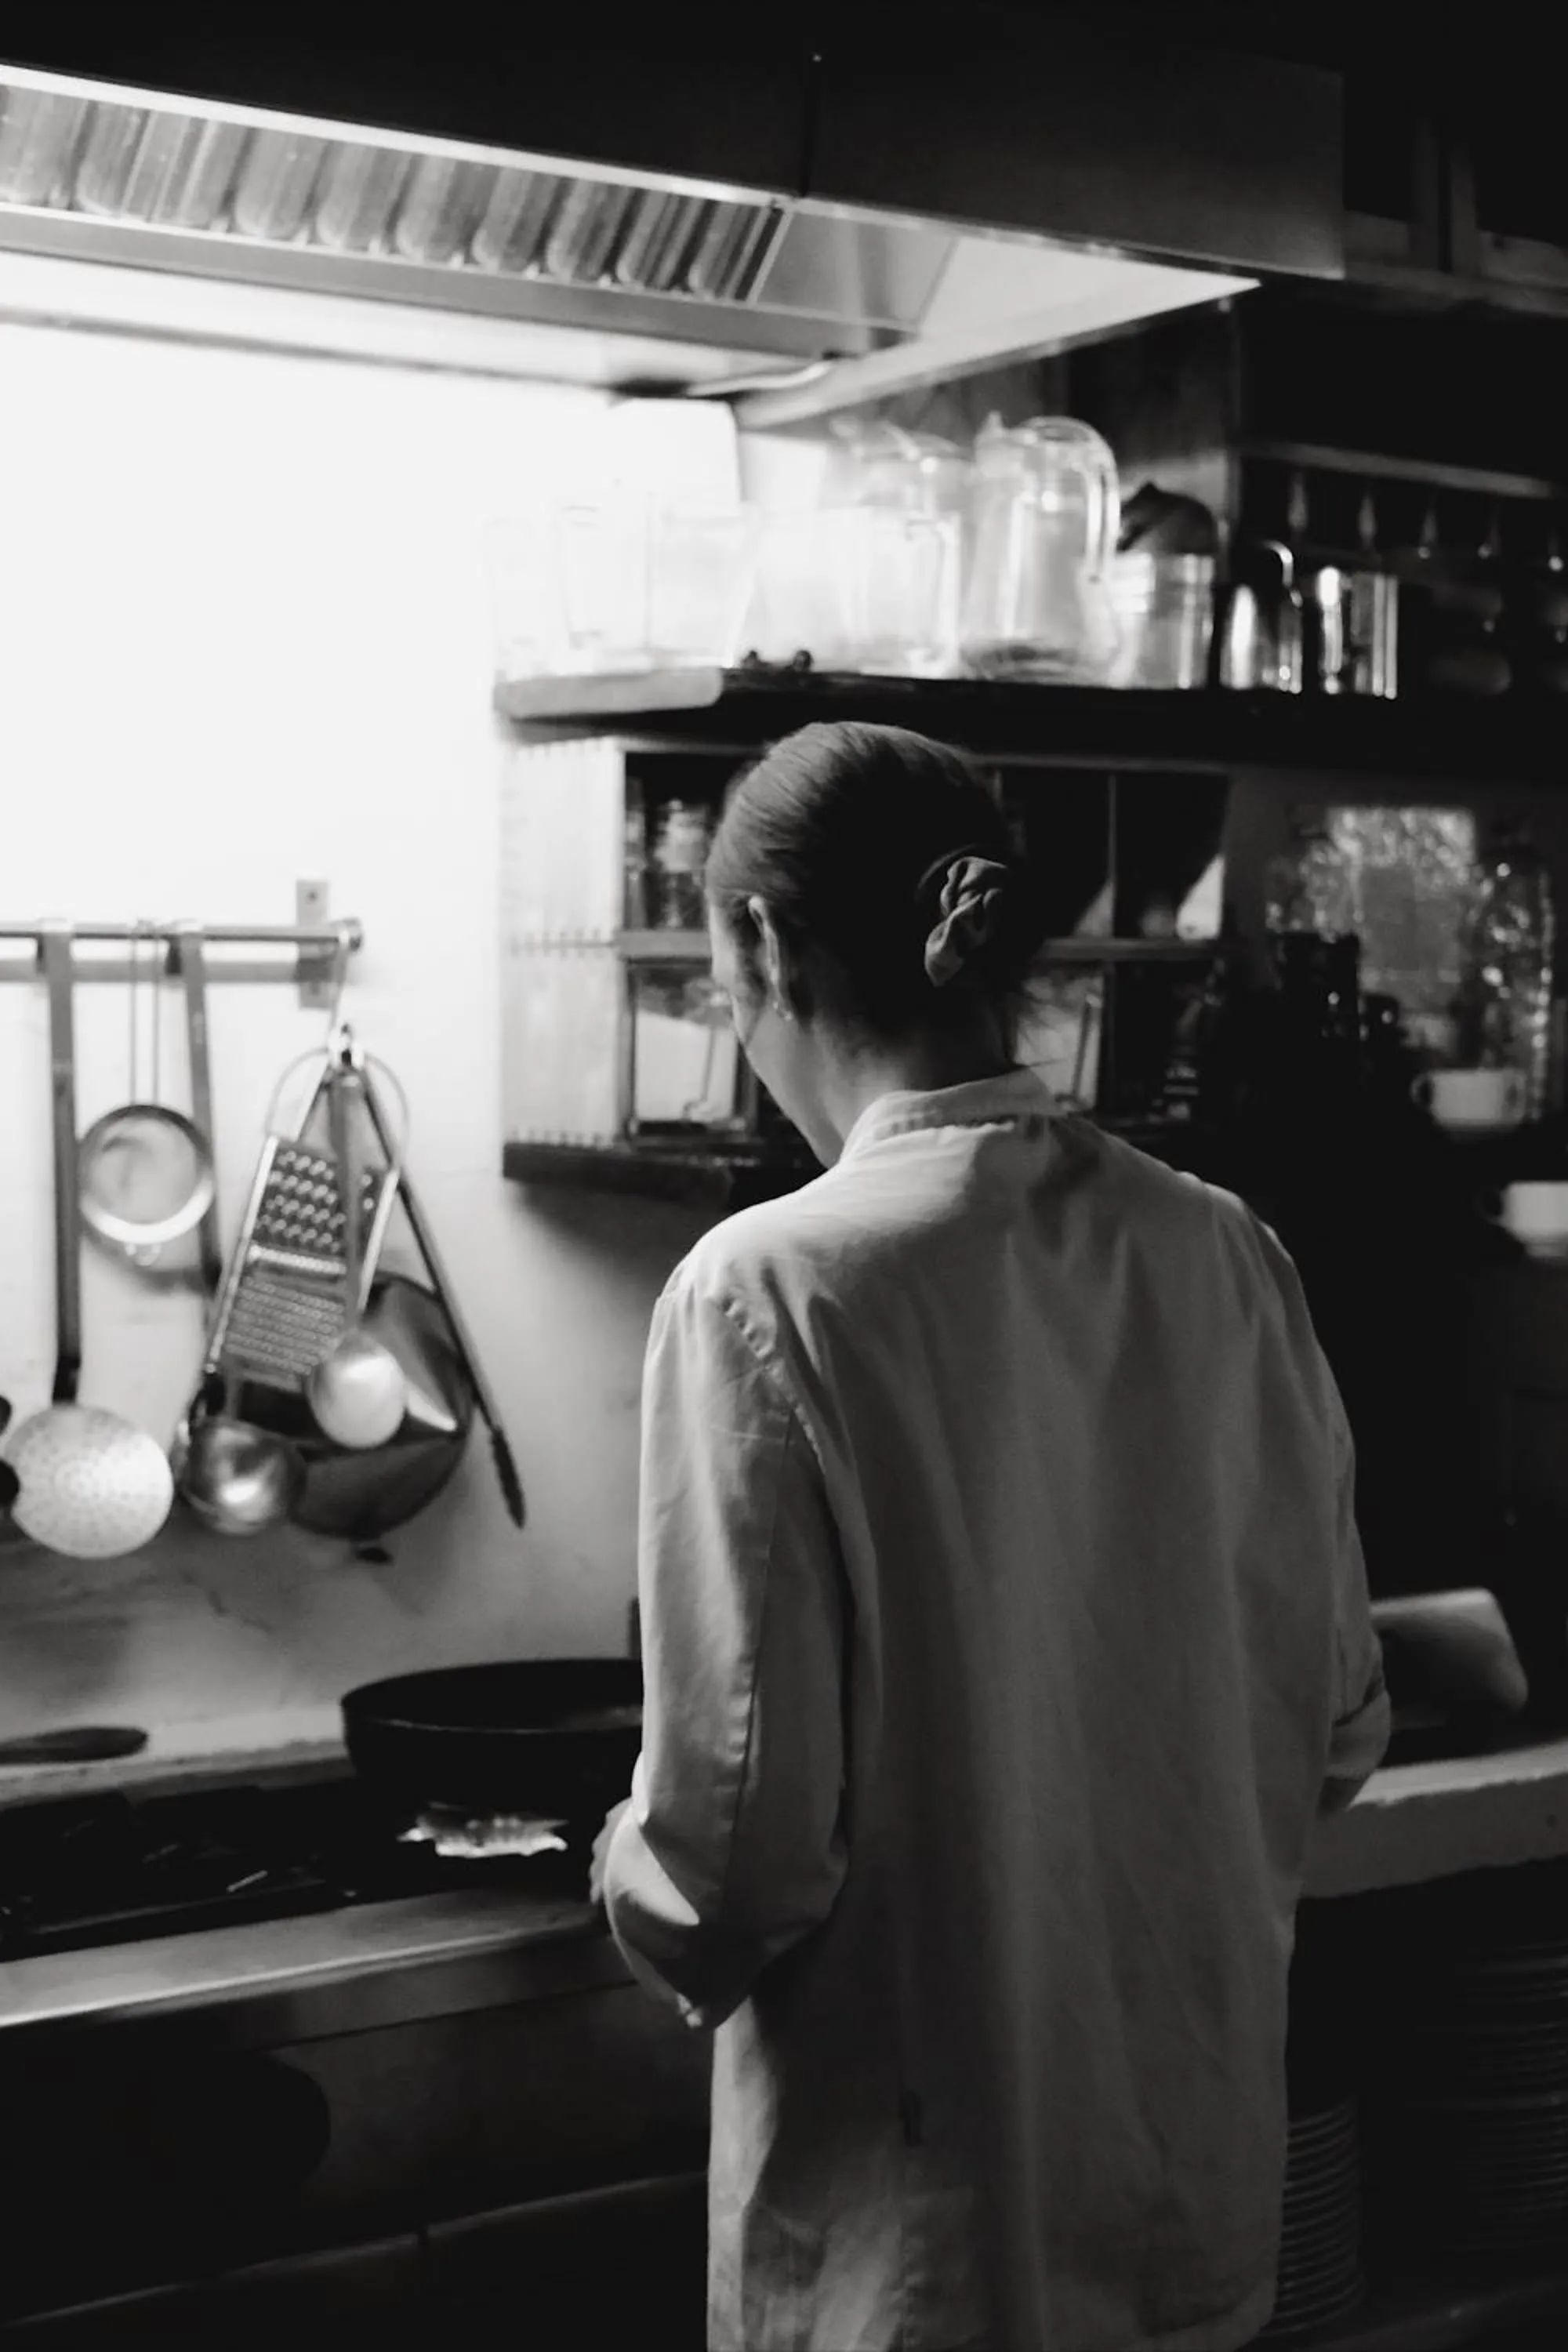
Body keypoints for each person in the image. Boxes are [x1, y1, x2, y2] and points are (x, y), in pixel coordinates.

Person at [593, 720, 1390, 2352]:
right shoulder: (1224, 1251)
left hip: (929, 2267)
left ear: (754, 942)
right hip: (1194, 2225)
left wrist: (610, 1862)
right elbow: (1336, 1725)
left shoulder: (766, 1289)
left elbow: (735, 1863)